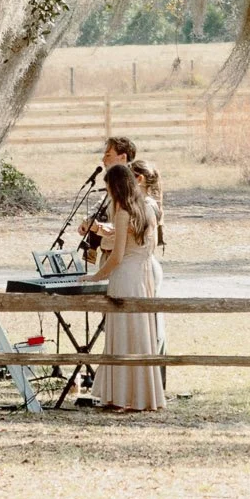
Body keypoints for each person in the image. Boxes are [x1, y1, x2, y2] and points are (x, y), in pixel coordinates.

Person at [87, 163, 164, 412]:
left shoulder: (123, 212)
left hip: (124, 277)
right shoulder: (147, 210)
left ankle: (119, 396)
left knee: (121, 335)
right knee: (140, 335)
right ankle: (142, 396)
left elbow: (117, 255)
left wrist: (96, 276)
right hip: (143, 277)